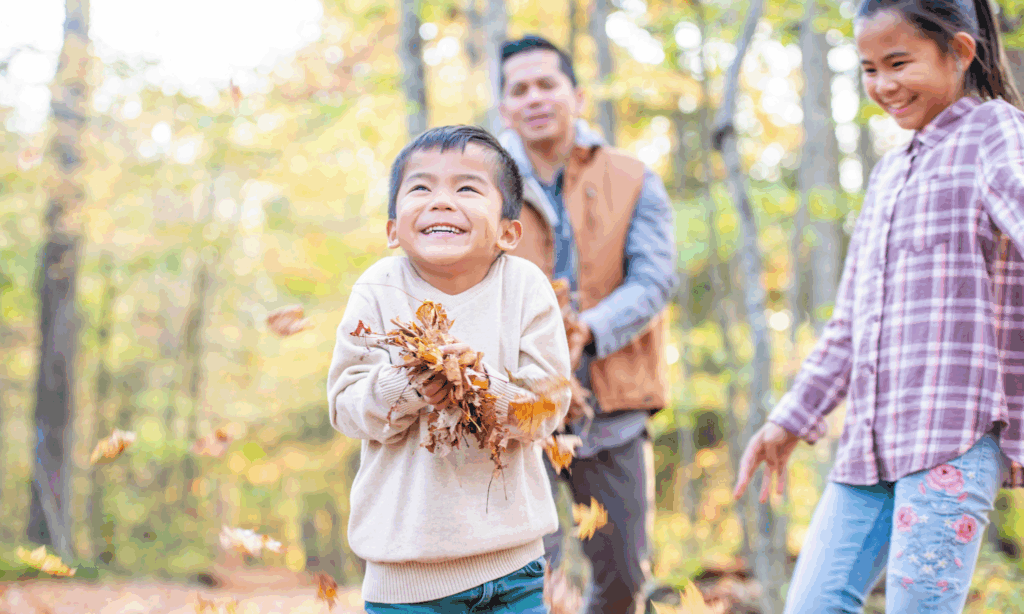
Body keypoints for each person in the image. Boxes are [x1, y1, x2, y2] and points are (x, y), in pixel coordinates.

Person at [733, 0, 1024, 611]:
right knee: (811, 603)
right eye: (868, 69)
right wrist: (789, 420)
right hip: (869, 444)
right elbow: (849, 326)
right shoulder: (890, 173)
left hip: (952, 432)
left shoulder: (992, 132)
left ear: (960, 51)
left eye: (899, 63)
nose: (883, 85)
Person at [327, 125, 572, 614]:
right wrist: (411, 381)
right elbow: (346, 407)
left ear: (508, 230)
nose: (441, 201)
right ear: (393, 228)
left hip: (514, 567)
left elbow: (547, 409)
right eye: (420, 187)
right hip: (406, 577)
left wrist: (477, 386)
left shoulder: (525, 286)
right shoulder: (378, 288)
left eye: (466, 187)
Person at [497, 35, 678, 614]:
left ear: (574, 93)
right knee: (526, 577)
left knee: (623, 577)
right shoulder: (481, 184)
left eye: (546, 84)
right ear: (504, 107)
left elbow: (655, 280)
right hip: (516, 409)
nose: (534, 99)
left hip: (615, 403)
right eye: (518, 89)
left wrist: (587, 330)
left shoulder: (633, 176)